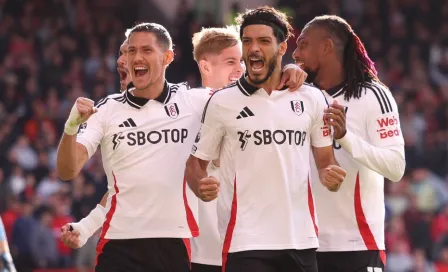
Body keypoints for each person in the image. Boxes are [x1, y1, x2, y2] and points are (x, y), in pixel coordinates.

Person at [57, 21, 306, 271]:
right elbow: (103, 179)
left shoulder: (198, 102)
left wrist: (289, 73)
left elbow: (256, 95)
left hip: (195, 247)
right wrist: (70, 127)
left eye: (144, 50)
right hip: (127, 245)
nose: (131, 59)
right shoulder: (107, 109)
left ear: (167, 57)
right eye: (129, 51)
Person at [185, 6, 346, 272]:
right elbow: (195, 165)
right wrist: (199, 186)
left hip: (300, 238)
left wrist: (331, 175)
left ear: (282, 48)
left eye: (263, 41)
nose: (254, 49)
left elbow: (326, 161)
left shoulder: (311, 98)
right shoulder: (222, 102)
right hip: (245, 242)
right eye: (247, 41)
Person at [292, 15, 406, 272]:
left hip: (357, 243)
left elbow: (396, 167)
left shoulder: (373, 95)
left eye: (303, 44)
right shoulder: (296, 96)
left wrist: (345, 137)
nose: (296, 53)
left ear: (326, 47)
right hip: (303, 243)